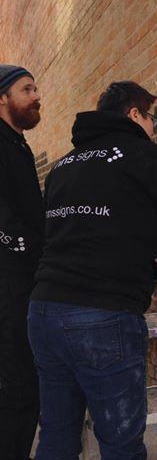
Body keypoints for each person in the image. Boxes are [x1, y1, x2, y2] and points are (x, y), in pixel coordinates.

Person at [28, 80, 157, 460]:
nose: (154, 127)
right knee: (121, 444)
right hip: (102, 317)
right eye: (152, 118)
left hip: (43, 312)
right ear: (135, 114)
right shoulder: (142, 154)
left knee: (57, 437)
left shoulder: (62, 167)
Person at [0, 64, 44, 460]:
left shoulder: (17, 143)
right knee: (17, 389)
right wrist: (21, 247)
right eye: (27, 89)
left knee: (25, 386)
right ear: (3, 98)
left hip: (23, 283)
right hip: (9, 286)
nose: (36, 96)